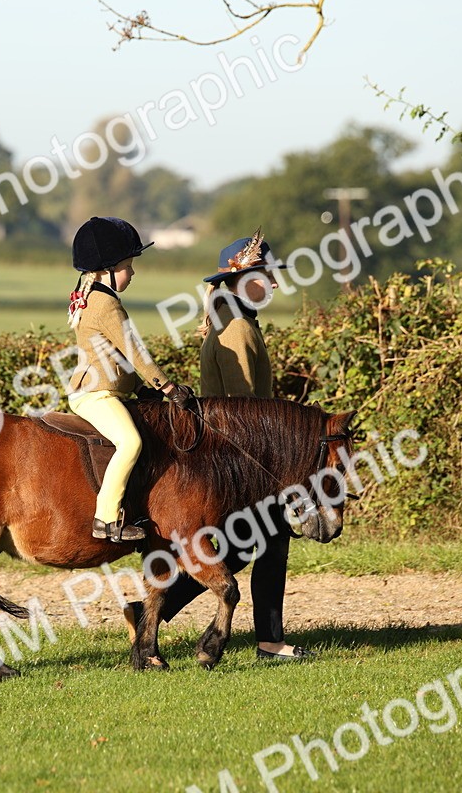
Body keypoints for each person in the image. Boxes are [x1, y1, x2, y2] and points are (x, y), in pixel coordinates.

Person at [124, 231, 316, 661]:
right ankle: (269, 642)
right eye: (267, 276)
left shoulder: (230, 318)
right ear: (244, 278)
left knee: (237, 544)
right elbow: (250, 411)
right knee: (270, 540)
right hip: (242, 457)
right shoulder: (240, 329)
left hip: (226, 454)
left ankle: (150, 610)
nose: (274, 284)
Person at [66, 216, 194, 543]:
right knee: (130, 443)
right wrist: (166, 386)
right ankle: (106, 520)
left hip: (103, 390)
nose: (133, 272)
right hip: (96, 395)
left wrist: (139, 387)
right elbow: (135, 351)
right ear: (108, 269)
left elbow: (113, 357)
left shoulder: (94, 297)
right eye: (128, 266)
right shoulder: (106, 304)